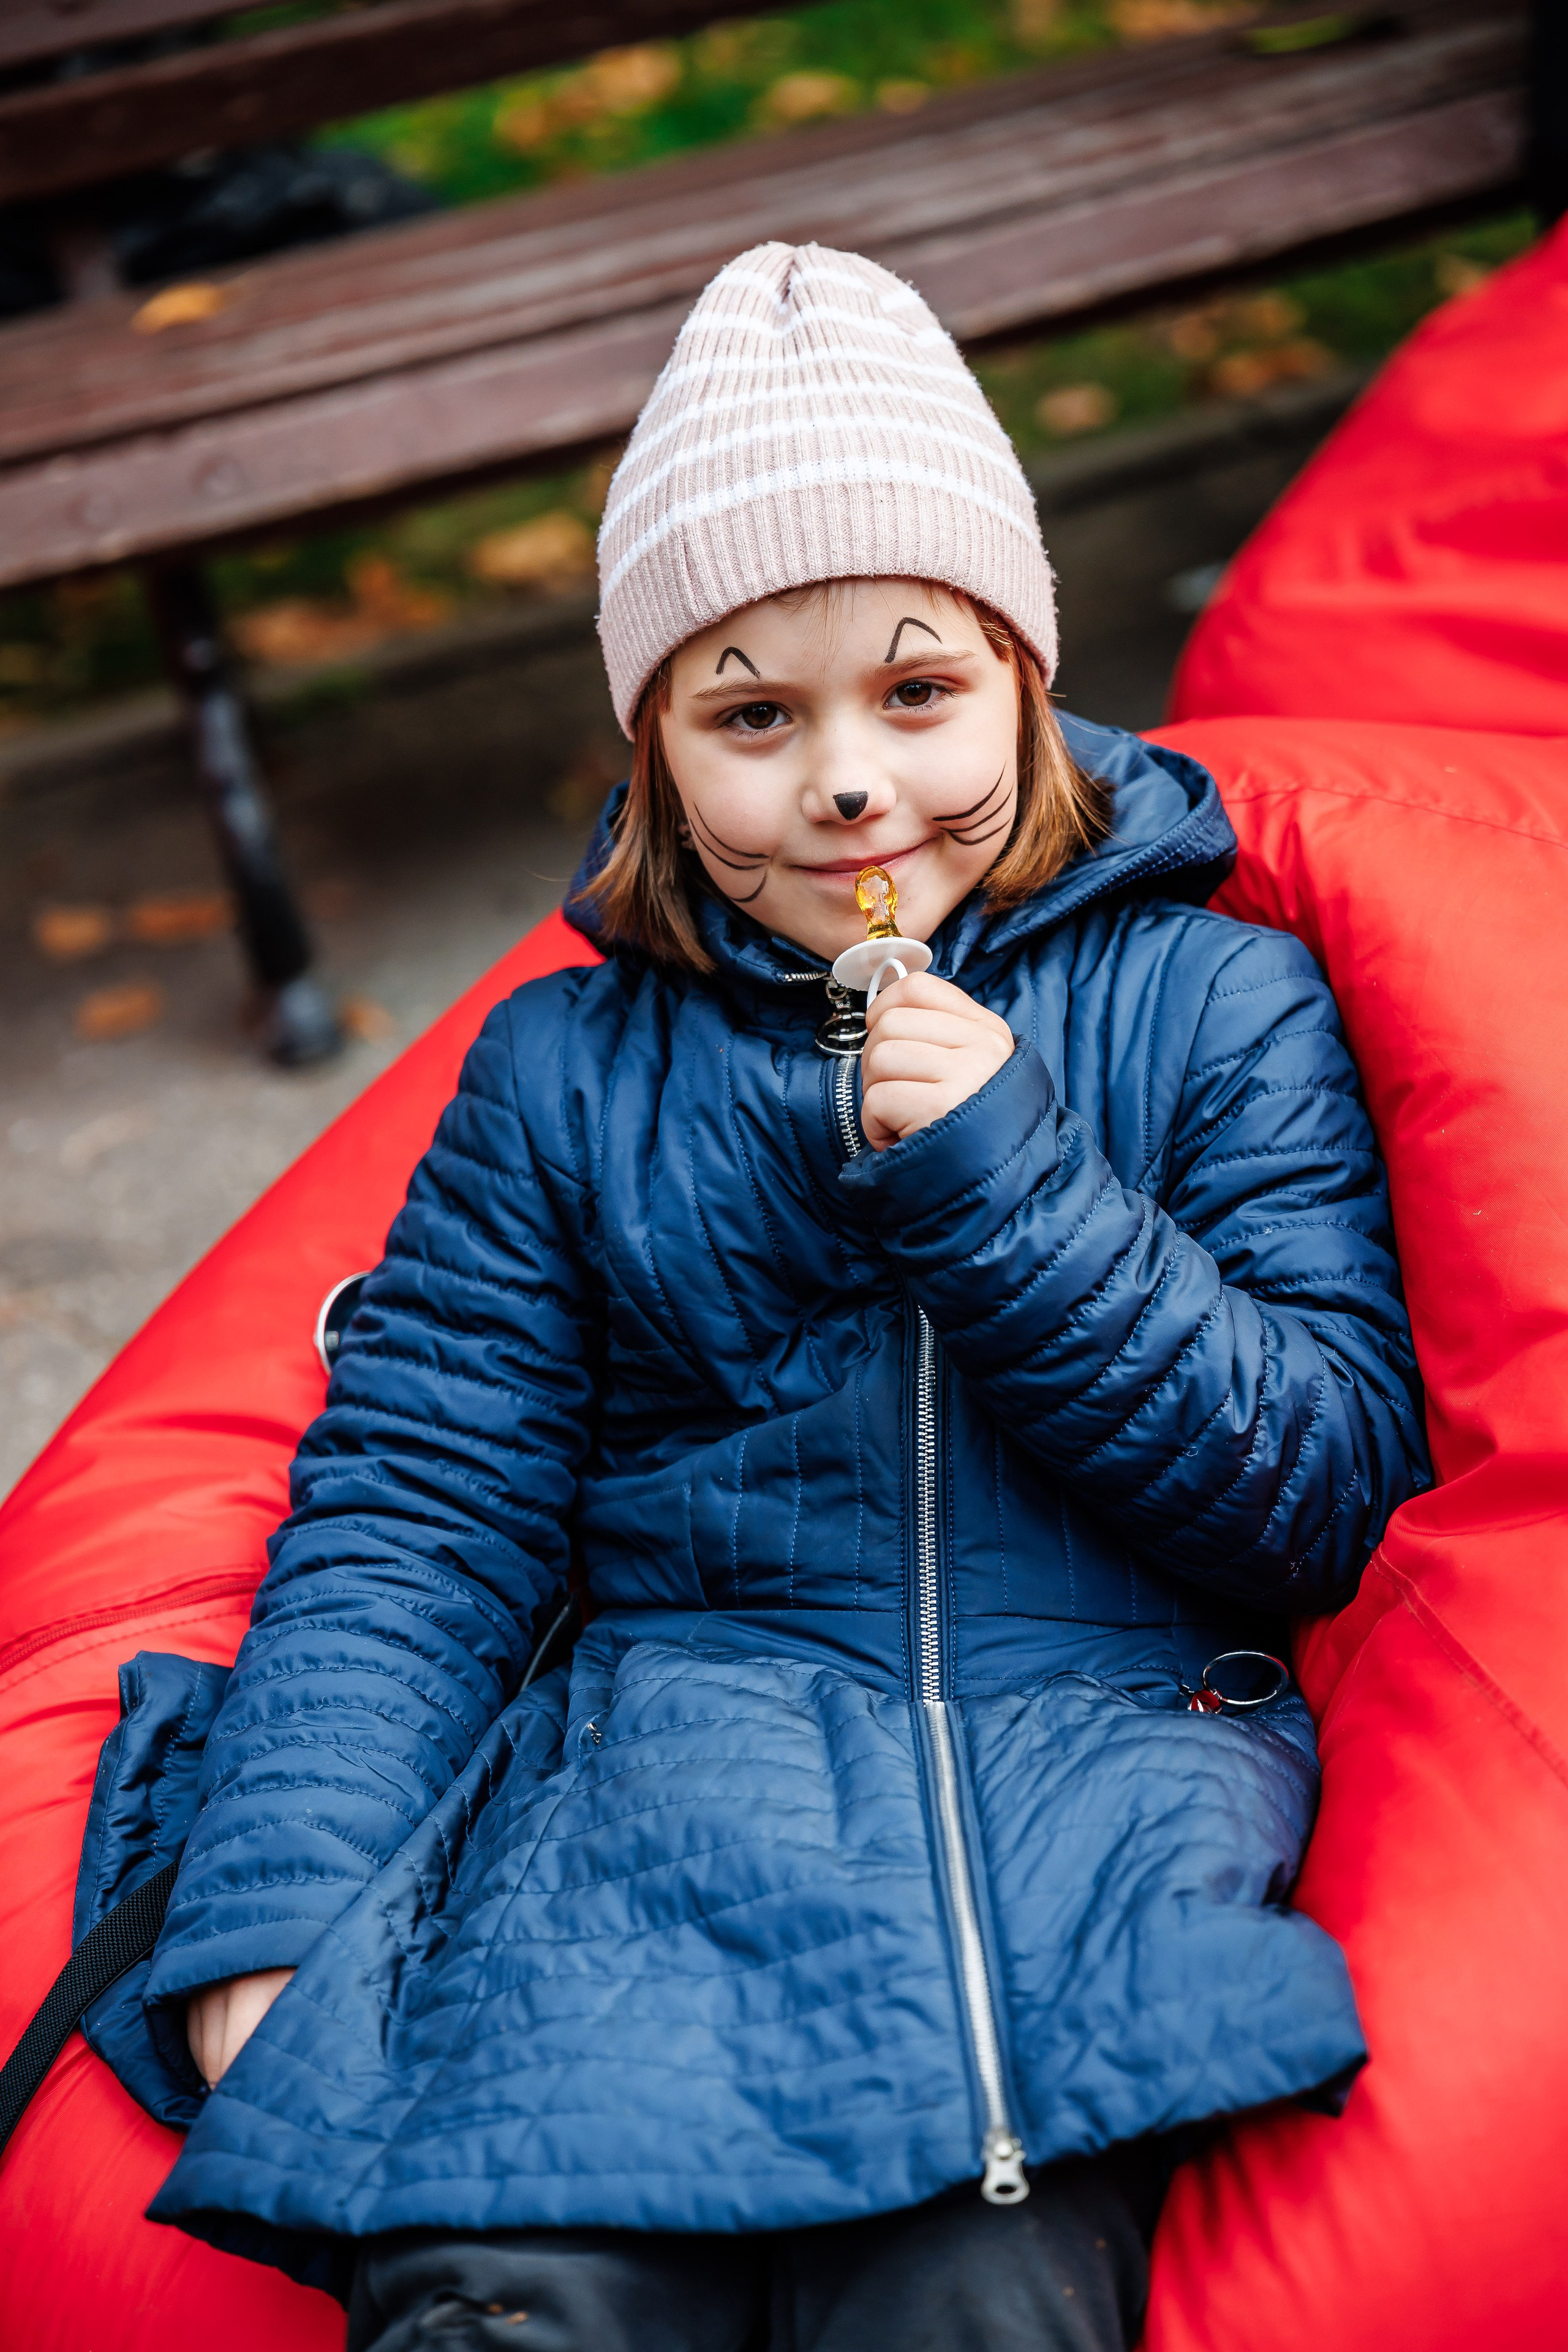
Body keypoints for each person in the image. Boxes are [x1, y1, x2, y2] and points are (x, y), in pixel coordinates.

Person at [145, 244, 1429, 2351]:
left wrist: (1007, 1180)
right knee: (511, 2282)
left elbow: (1314, 1491)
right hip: (655, 1811)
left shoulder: (1214, 1000)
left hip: (1076, 1799)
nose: (846, 784)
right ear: (657, 753)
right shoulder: (566, 1071)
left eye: (916, 693)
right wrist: (276, 1905)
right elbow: (417, 1514)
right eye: (755, 715)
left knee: (974, 2288)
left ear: (1026, 672)